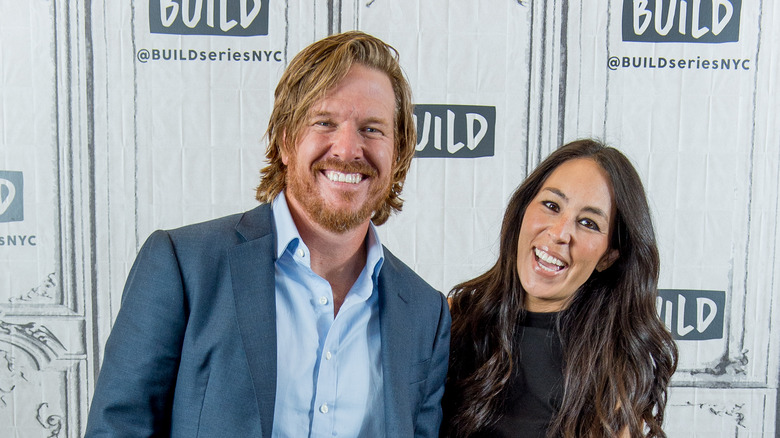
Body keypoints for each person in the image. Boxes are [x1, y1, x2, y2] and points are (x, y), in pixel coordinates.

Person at [85, 31, 450, 438]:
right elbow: (117, 429)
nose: (348, 149)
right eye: (324, 123)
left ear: (398, 153)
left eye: (372, 129)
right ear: (285, 141)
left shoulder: (426, 313)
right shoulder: (183, 266)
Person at [441, 139, 678, 438]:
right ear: (523, 210)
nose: (559, 233)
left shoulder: (615, 370)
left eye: (588, 223)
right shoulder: (452, 322)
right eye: (551, 206)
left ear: (608, 256)